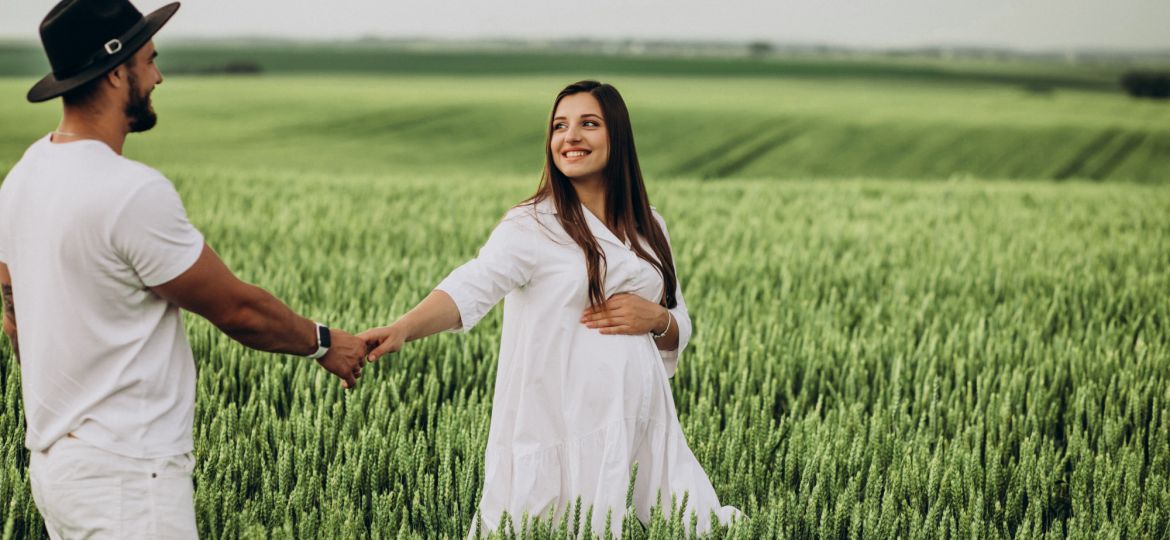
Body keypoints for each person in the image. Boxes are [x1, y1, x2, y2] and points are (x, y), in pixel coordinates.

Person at [0, 0, 368, 537]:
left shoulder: (23, 177)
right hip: (128, 476)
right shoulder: (129, 192)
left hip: (57, 469)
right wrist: (324, 342)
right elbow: (238, 310)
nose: (159, 76)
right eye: (149, 61)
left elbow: (15, 320)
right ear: (114, 73)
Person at [359, 80, 740, 534]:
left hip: (644, 425)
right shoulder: (532, 225)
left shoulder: (649, 225)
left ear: (617, 137)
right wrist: (404, 327)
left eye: (588, 124)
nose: (570, 136)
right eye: (559, 126)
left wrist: (658, 320)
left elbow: (679, 318)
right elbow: (474, 283)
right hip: (563, 427)